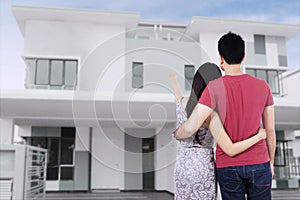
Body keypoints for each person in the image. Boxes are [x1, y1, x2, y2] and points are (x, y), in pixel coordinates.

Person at [174, 33, 276, 200]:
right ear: (244, 56)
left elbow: (192, 125)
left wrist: (177, 133)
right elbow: (270, 131)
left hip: (228, 166)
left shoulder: (213, 88)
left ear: (221, 58)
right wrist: (270, 163)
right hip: (259, 163)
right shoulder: (263, 86)